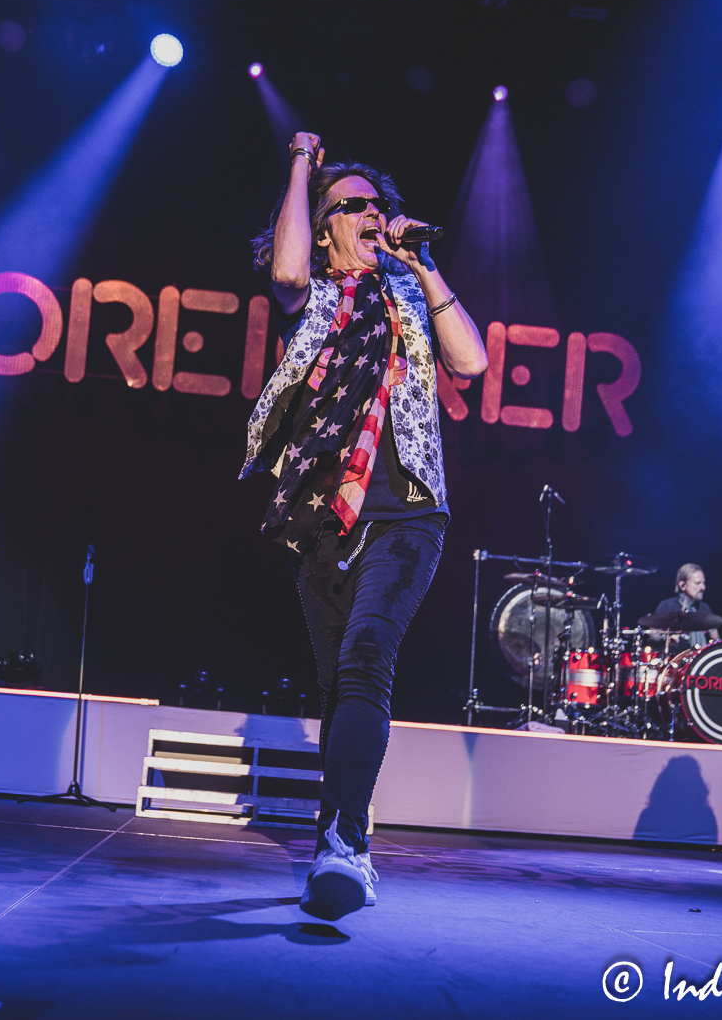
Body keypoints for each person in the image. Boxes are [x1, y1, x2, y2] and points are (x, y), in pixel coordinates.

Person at [242, 132, 488, 920]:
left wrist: (423, 264)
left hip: (408, 511)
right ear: (324, 226)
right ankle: (344, 829)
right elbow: (284, 271)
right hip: (319, 517)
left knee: (368, 654)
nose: (375, 216)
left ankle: (343, 843)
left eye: (380, 205)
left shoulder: (409, 293)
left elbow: (472, 362)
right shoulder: (314, 296)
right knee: (337, 685)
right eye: (355, 208)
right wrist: (302, 165)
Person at [651, 563, 717, 651]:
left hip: (700, 660)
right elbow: (653, 636)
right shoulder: (666, 606)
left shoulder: (704, 608)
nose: (703, 587)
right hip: (675, 661)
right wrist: (666, 639)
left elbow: (716, 640)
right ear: (682, 585)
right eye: (698, 583)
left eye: (703, 583)